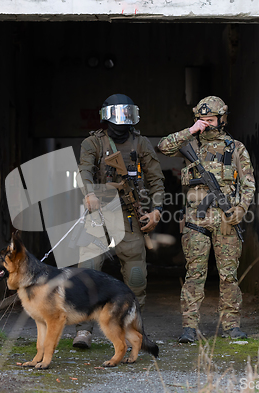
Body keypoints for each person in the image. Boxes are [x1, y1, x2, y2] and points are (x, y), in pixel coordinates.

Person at [157, 96, 255, 342]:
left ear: (222, 119)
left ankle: (231, 325)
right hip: (195, 222)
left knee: (228, 276)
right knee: (194, 274)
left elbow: (249, 185)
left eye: (210, 120)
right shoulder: (190, 143)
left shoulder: (236, 148)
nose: (206, 125)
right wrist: (191, 131)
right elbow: (163, 147)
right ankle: (190, 327)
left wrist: (240, 210)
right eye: (201, 120)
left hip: (226, 221)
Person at [73, 93, 165, 348]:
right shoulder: (93, 142)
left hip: (129, 218)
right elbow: (85, 170)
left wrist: (156, 209)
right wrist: (89, 193)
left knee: (136, 277)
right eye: (118, 114)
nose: (123, 120)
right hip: (99, 216)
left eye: (128, 114)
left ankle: (133, 330)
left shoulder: (141, 143)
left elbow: (156, 179)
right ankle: (83, 330)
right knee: (87, 274)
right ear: (106, 116)